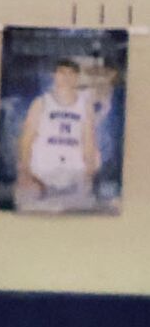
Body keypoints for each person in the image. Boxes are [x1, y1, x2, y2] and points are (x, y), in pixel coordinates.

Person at [15, 58, 99, 212]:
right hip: (41, 175)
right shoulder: (41, 103)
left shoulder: (85, 107)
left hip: (74, 174)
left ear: (76, 78)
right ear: (54, 76)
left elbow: (89, 140)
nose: (66, 77)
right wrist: (24, 171)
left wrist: (89, 172)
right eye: (62, 73)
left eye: (71, 73)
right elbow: (26, 139)